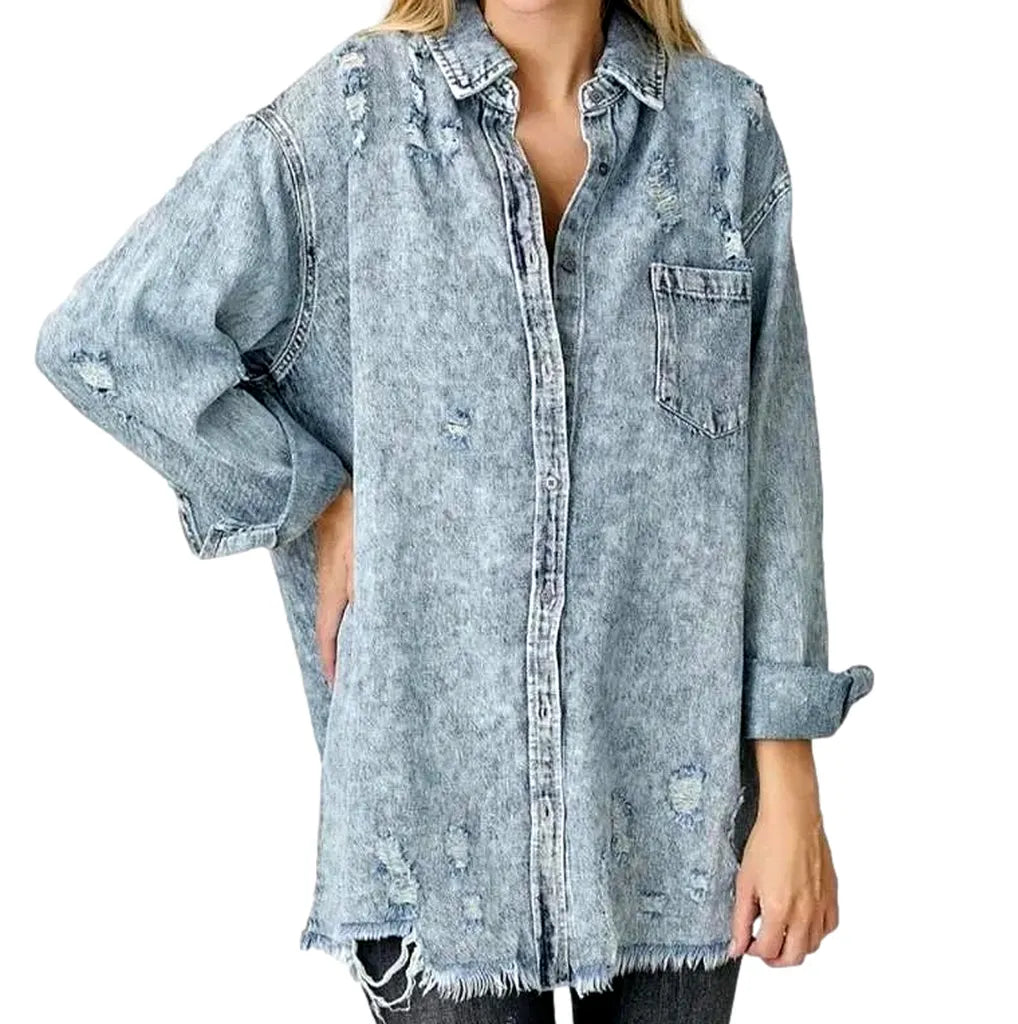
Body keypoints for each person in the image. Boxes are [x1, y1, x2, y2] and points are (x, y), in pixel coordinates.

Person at [33, 1, 874, 1021]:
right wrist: (314, 494)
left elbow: (775, 472)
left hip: (676, 813)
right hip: (431, 827)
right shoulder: (357, 120)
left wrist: (791, 788)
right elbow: (110, 338)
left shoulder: (721, 133)